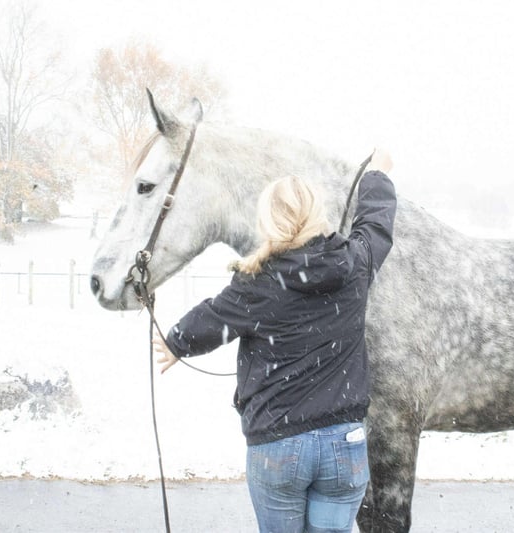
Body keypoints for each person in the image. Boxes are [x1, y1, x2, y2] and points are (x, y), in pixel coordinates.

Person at [153, 148, 396, 533]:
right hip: (344, 442)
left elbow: (211, 320)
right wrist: (377, 176)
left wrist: (175, 343)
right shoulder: (354, 263)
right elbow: (376, 226)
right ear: (317, 215)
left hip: (279, 446)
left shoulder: (258, 282)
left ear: (267, 220)